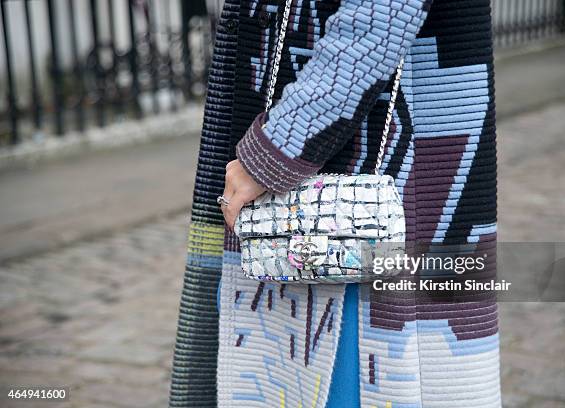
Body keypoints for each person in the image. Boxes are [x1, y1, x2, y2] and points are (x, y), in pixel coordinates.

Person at [168, 0, 501, 406]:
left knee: (355, 376)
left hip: (354, 159)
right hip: (330, 144)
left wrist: (277, 148)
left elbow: (384, 11)